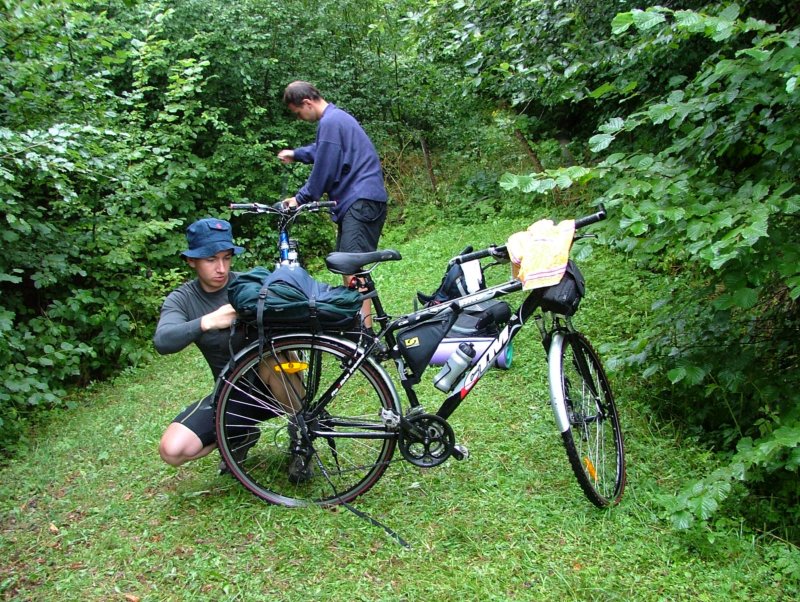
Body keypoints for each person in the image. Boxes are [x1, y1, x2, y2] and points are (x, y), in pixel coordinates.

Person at [277, 81, 388, 330]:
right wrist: (296, 154)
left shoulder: (331, 121)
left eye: (298, 113)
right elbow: (323, 150)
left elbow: (324, 168)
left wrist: (300, 198)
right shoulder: (336, 120)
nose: (300, 118)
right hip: (359, 200)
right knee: (347, 264)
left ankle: (365, 333)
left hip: (361, 200)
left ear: (307, 103)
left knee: (352, 267)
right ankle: (362, 328)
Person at [154, 217, 246, 467]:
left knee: (276, 361)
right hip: (232, 394)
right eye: (211, 259)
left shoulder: (247, 285)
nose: (221, 268)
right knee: (172, 450)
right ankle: (239, 436)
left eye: (227, 258)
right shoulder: (182, 299)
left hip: (278, 385)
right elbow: (163, 340)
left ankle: (301, 435)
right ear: (191, 260)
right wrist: (208, 321)